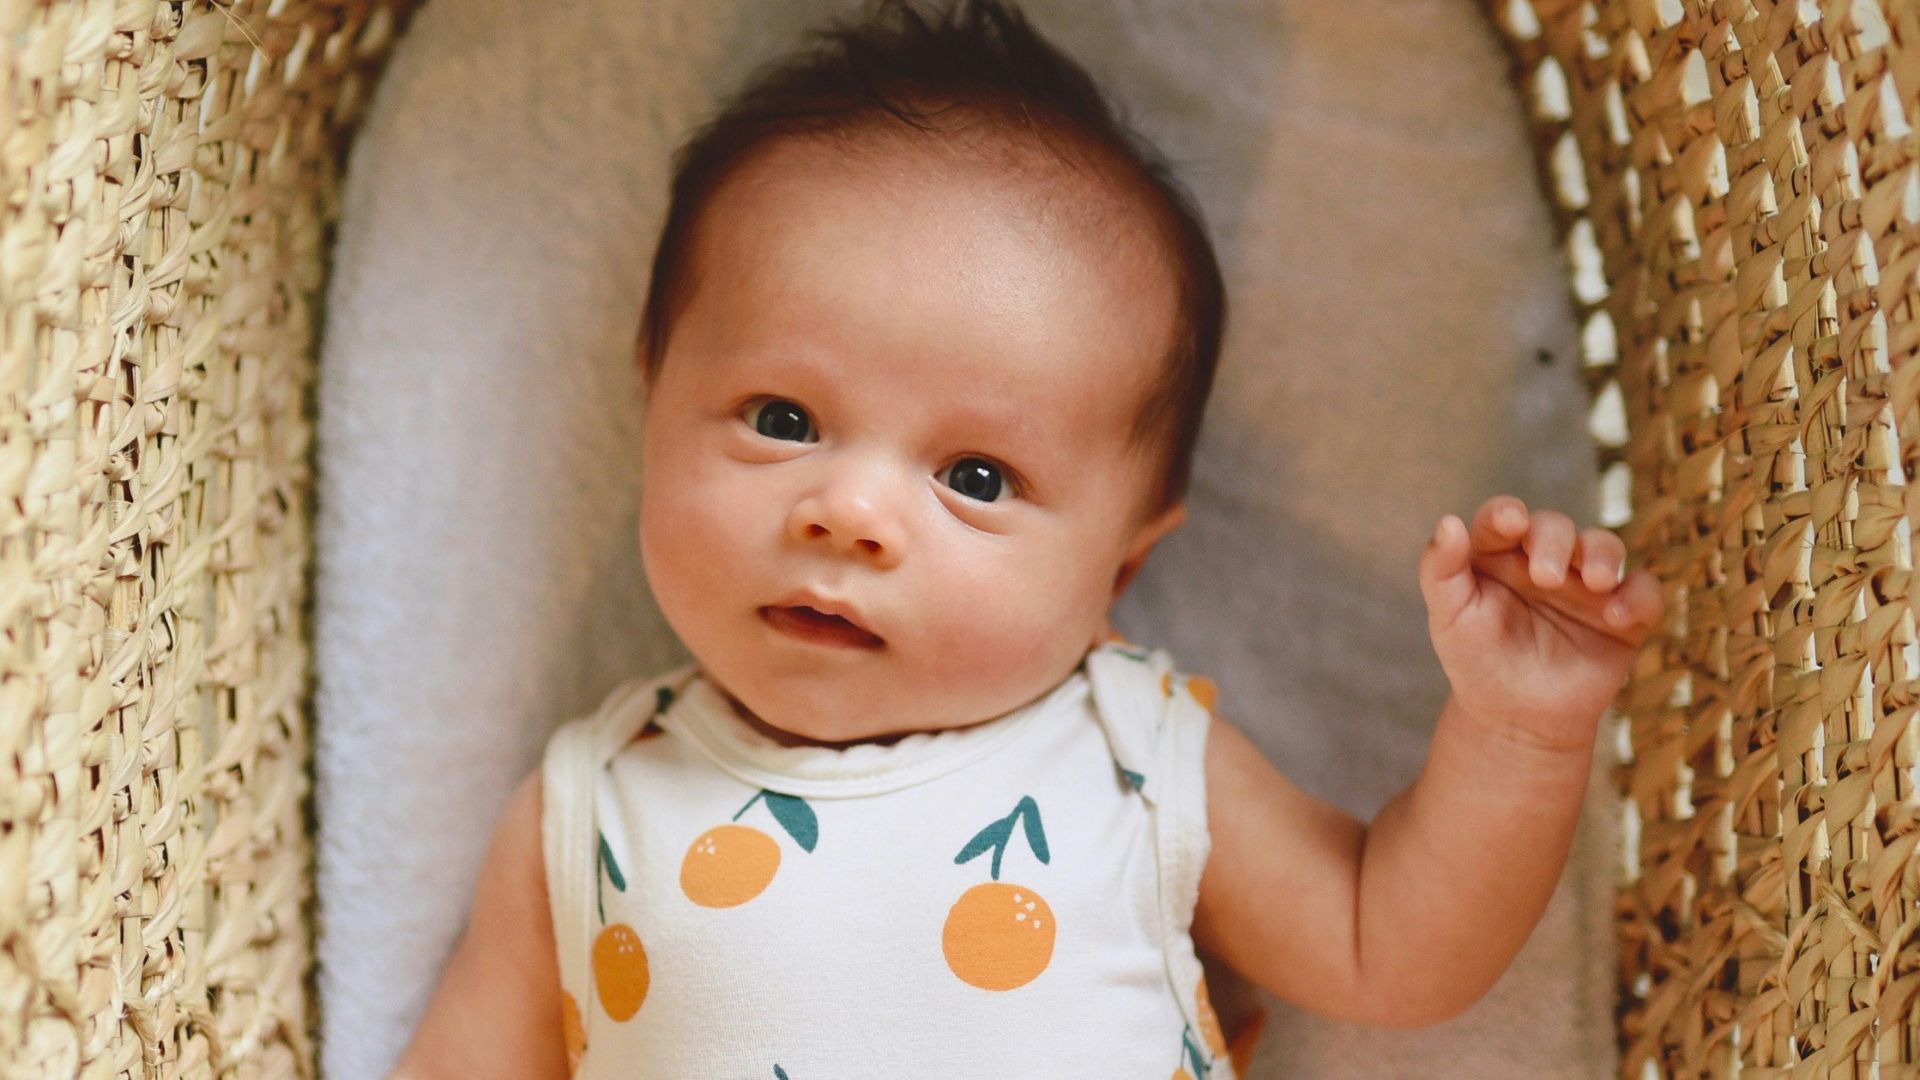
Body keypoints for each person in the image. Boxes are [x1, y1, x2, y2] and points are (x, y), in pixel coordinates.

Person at [390, 1, 1663, 1076]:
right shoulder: (589, 809)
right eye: (784, 419)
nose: (851, 513)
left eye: (977, 475)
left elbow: (1395, 945)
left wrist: (1518, 730)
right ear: (653, 400)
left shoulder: (1132, 758)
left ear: (1123, 564)